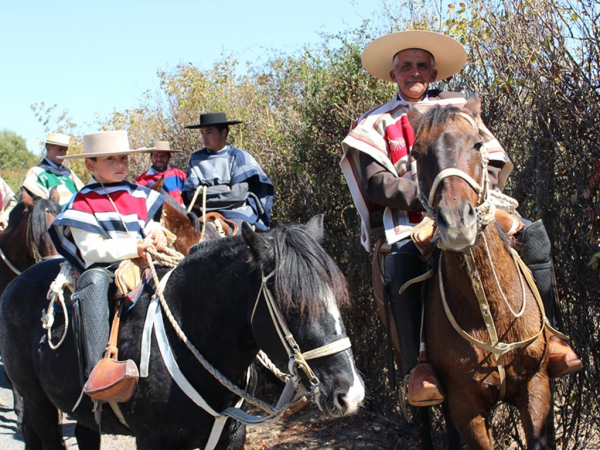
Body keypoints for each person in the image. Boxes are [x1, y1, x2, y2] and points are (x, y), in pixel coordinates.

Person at [340, 30, 581, 406]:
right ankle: (418, 369)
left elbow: (493, 160)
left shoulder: (459, 109)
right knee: (401, 264)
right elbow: (375, 184)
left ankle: (550, 337)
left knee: (534, 237)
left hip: (473, 206)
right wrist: (432, 197)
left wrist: (467, 193)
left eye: (422, 66)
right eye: (406, 66)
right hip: (414, 216)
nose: (415, 72)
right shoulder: (375, 123)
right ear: (393, 75)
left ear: (433, 72)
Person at [49, 130, 172, 381]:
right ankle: (97, 373)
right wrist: (134, 247)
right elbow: (92, 250)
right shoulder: (82, 201)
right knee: (93, 281)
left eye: (124, 158)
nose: (120, 164)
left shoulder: (138, 193)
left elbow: (147, 224)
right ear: (89, 164)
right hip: (105, 267)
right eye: (110, 159)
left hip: (142, 258)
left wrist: (158, 232)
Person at [182, 112, 273, 231]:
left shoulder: (239, 157)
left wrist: (203, 199)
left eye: (209, 132)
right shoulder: (196, 158)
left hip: (236, 213)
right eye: (202, 133)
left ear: (224, 132)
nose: (204, 137)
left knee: (239, 237)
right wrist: (225, 189)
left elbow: (237, 195)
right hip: (200, 214)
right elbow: (191, 195)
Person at [22, 132, 84, 206]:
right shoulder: (36, 173)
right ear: (48, 148)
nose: (63, 153)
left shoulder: (69, 173)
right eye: (60, 149)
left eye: (65, 150)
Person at [135, 141, 187, 205]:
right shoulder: (142, 181)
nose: (159, 159)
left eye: (162, 156)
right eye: (156, 155)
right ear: (151, 157)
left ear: (169, 157)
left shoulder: (179, 175)